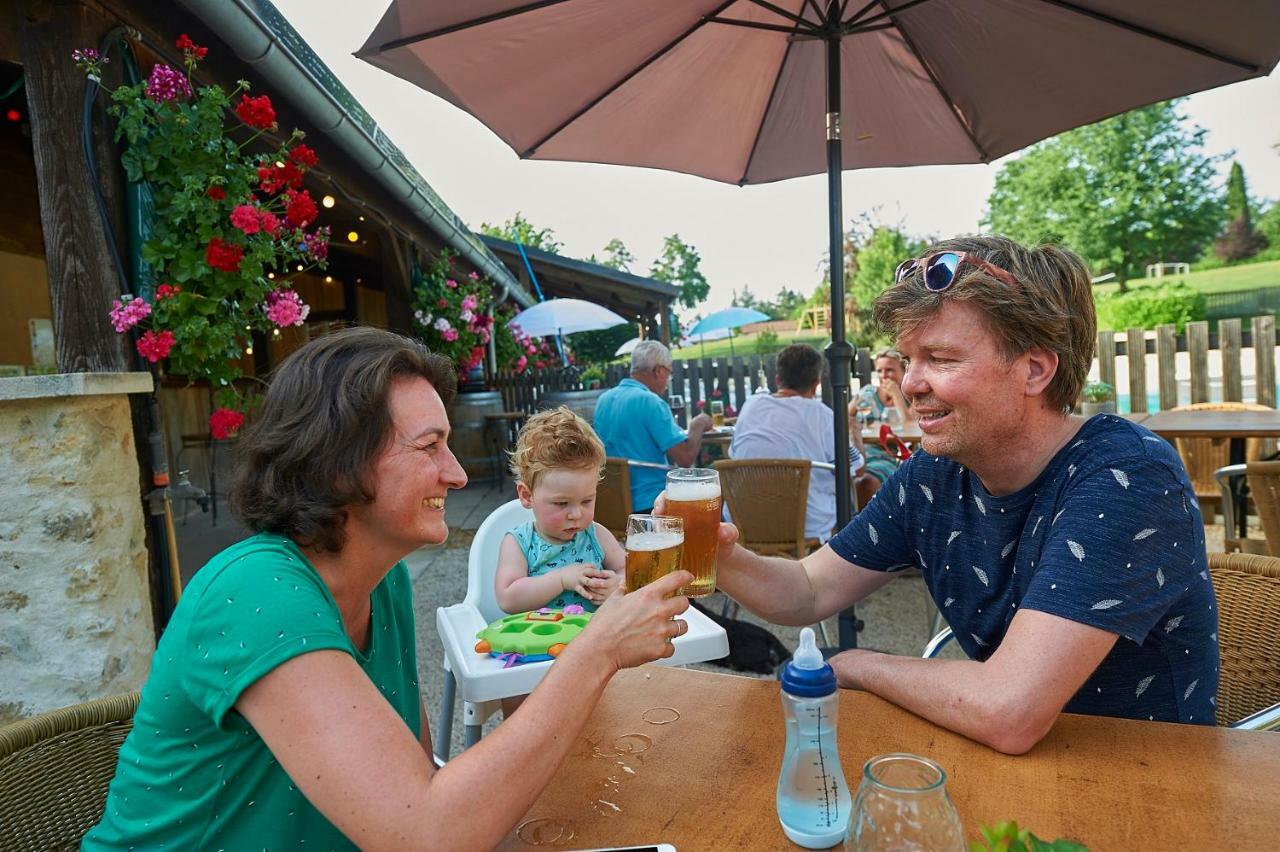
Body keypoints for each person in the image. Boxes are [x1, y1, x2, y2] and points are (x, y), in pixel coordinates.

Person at [83, 327, 693, 850]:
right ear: (337, 460)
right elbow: (427, 833)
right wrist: (598, 649)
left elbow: (417, 776)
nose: (455, 474)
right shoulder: (257, 592)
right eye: (430, 446)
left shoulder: (384, 582)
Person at [673, 236, 1219, 755]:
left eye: (940, 358)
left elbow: (1008, 710)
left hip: (1143, 788)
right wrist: (720, 553)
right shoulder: (934, 475)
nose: (910, 383)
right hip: (1006, 772)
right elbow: (808, 590)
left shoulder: (1128, 477)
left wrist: (856, 664)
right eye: (908, 359)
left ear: (1033, 370)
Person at [730, 343, 866, 543]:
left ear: (778, 379)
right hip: (808, 527)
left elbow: (734, 454)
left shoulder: (751, 406)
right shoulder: (823, 416)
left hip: (745, 523)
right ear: (816, 384)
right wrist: (857, 435)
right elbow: (858, 469)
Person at [495, 406, 625, 613]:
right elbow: (508, 599)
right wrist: (561, 579)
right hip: (539, 642)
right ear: (527, 496)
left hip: (598, 640)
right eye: (561, 503)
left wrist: (617, 584)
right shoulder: (520, 542)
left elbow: (628, 570)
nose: (576, 514)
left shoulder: (596, 535)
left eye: (586, 501)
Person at [593, 339, 714, 511]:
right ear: (658, 371)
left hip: (613, 505)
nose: (668, 380)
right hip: (652, 504)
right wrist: (697, 425)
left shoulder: (603, 400)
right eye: (669, 372)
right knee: (711, 505)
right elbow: (685, 458)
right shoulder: (651, 402)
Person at [850, 348, 917, 505]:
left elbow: (910, 426)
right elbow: (844, 417)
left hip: (894, 454)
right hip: (862, 451)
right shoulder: (868, 393)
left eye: (889, 370)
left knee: (866, 483)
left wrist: (897, 396)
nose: (883, 375)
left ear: (904, 370)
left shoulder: (913, 397)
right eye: (879, 371)